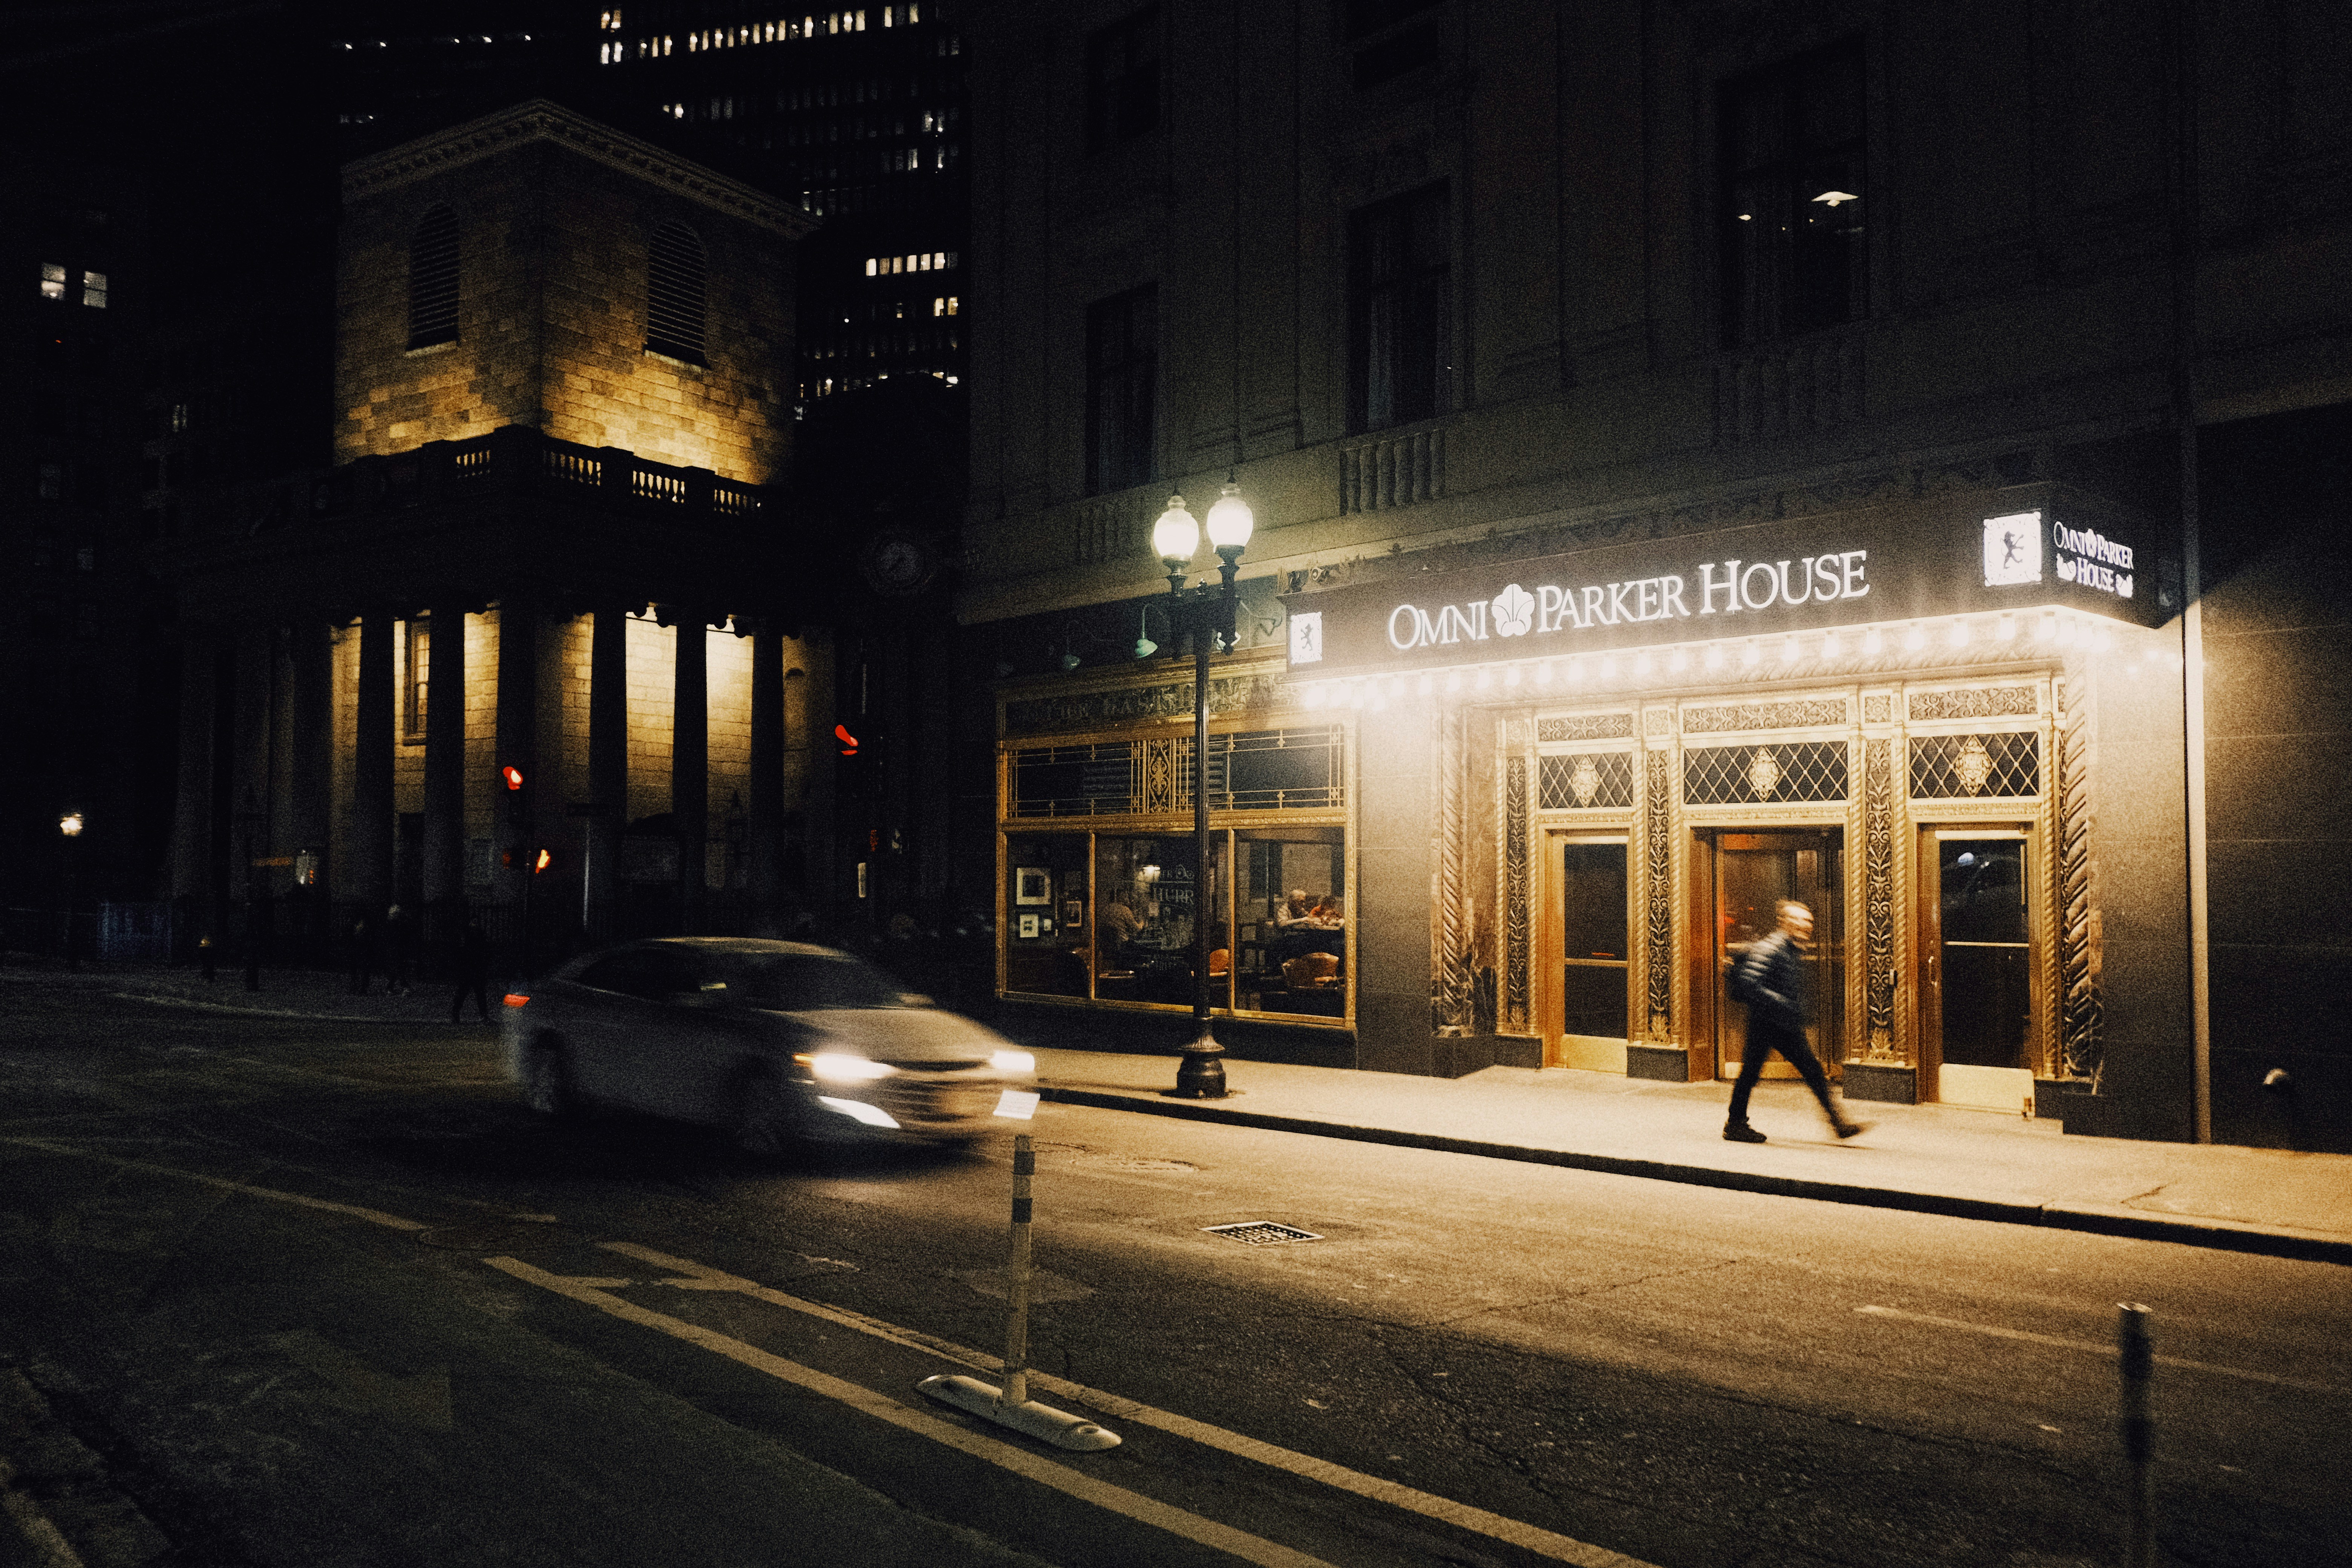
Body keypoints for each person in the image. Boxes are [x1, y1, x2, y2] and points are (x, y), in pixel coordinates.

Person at [1724, 899, 1869, 1144]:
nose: (1806, 925)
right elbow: (1750, 984)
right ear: (1785, 923)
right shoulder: (1772, 948)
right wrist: (1783, 1004)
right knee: (1758, 1073)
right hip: (1769, 1023)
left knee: (1801, 1072)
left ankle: (1837, 1124)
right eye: (1799, 920)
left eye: (1808, 921)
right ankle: (1736, 1124)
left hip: (1779, 1023)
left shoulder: (1789, 948)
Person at [450, 919, 492, 1024]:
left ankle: (457, 1014)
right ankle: (482, 1016)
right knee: (469, 993)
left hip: (473, 969)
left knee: (474, 993)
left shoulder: (470, 936)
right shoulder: (473, 936)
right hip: (471, 969)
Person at [383, 904, 414, 995]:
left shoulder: (393, 924)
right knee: (399, 969)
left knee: (397, 969)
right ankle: (402, 987)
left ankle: (392, 987)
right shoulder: (399, 924)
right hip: (397, 949)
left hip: (396, 949)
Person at [347, 913, 372, 994]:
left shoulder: (362, 927)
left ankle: (360, 988)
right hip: (358, 949)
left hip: (361, 949)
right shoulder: (361, 926)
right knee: (358, 970)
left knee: (361, 970)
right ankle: (358, 987)